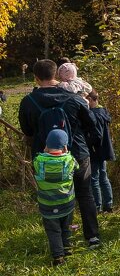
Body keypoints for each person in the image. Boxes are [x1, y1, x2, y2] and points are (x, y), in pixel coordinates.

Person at [19, 59, 101, 246]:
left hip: (45, 157)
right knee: (84, 193)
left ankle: (62, 240)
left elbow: (27, 130)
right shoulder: (73, 97)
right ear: (56, 75)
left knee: (53, 197)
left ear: (36, 78)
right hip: (77, 152)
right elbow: (91, 123)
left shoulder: (28, 102)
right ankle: (92, 236)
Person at [34, 129, 77, 266]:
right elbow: (77, 166)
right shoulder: (69, 160)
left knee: (53, 230)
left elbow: (34, 163)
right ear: (65, 146)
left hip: (47, 205)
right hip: (66, 203)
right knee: (67, 226)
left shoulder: (39, 161)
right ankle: (68, 249)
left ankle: (58, 257)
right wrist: (67, 153)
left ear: (46, 145)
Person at [84, 90, 115, 213]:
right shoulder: (103, 112)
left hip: (95, 150)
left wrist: (86, 143)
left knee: (94, 178)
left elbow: (97, 135)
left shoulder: (93, 114)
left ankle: (98, 206)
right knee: (103, 176)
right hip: (104, 149)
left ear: (91, 100)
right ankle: (109, 203)